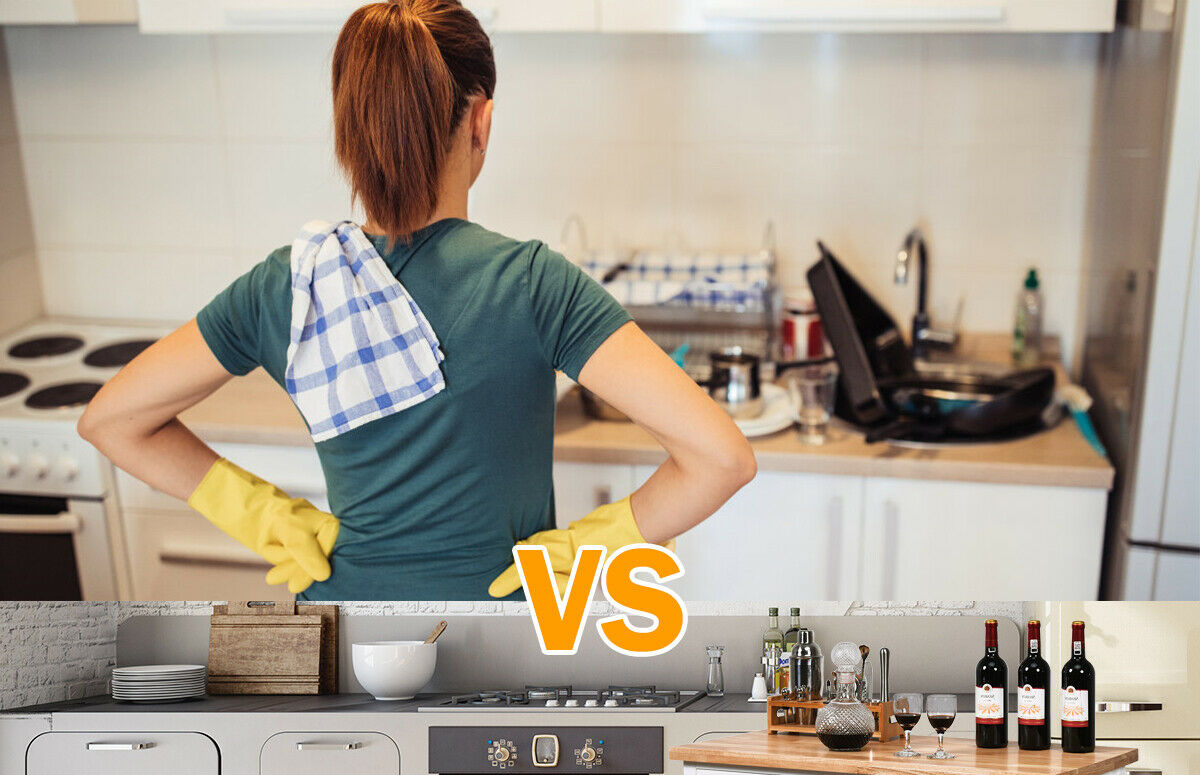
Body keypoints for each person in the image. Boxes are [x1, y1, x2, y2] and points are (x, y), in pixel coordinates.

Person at [79, 0, 756, 600]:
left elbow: (112, 421)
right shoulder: (532, 284)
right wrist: (599, 539)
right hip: (498, 647)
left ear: (352, 128)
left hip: (343, 639)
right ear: (480, 122)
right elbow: (721, 457)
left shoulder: (290, 284)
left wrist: (261, 513)